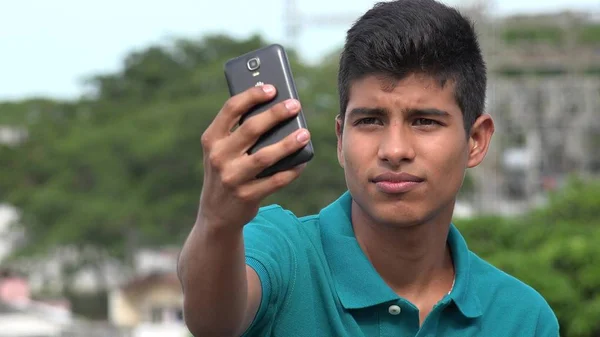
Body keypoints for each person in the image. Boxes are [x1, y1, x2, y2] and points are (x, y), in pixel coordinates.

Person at [177, 0, 560, 336]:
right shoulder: (283, 250)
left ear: (476, 140)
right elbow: (213, 323)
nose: (394, 150)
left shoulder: (522, 318)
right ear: (341, 140)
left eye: (425, 121)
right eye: (370, 121)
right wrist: (217, 221)